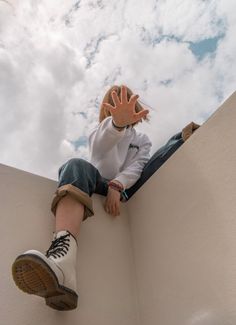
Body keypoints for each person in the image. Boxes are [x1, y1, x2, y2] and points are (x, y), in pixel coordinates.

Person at [11, 85, 200, 311]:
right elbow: (99, 151)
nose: (122, 104)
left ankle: (182, 138)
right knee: (75, 165)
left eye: (127, 100)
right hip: (98, 183)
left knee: (163, 152)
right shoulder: (104, 129)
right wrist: (117, 124)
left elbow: (138, 167)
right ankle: (63, 265)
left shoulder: (142, 139)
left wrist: (118, 185)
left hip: (126, 188)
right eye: (115, 101)